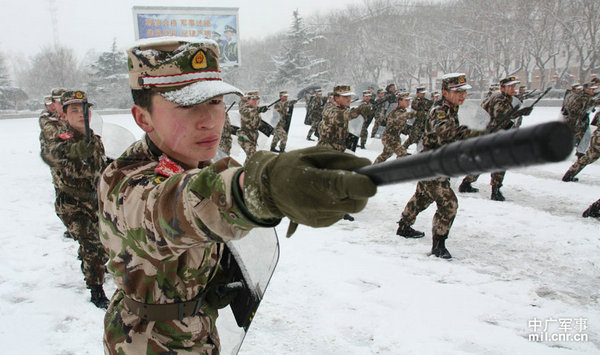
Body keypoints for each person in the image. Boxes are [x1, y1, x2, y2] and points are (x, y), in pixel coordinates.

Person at [99, 37, 376, 354]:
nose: (210, 121)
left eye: (215, 102)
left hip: (197, 334)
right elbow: (176, 204)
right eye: (187, 105)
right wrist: (264, 188)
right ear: (143, 118)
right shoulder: (125, 183)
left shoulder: (193, 161)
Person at [396, 73, 479, 259]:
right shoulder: (439, 111)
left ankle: (404, 226)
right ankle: (438, 245)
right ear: (444, 92)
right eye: (457, 91)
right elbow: (445, 134)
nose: (462, 96)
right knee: (449, 204)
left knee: (422, 197)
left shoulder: (451, 110)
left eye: (464, 92)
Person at [45, 90, 110, 308]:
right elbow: (56, 154)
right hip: (74, 206)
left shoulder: (95, 139)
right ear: (64, 115)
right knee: (92, 243)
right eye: (74, 110)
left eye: (85, 109)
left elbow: (101, 166)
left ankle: (94, 262)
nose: (82, 114)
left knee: (105, 242)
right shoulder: (60, 139)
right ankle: (96, 290)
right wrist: (76, 149)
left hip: (96, 202)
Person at [458, 76, 533, 200]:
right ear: (502, 88)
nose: (513, 89)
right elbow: (500, 116)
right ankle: (495, 190)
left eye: (514, 86)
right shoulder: (500, 99)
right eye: (511, 86)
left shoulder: (502, 98)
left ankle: (466, 183)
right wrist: (520, 112)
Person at [317, 85, 364, 152]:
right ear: (336, 98)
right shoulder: (330, 109)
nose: (349, 99)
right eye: (345, 96)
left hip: (340, 149)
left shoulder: (343, 109)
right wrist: (359, 110)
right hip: (327, 150)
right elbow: (341, 115)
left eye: (349, 96)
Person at [373, 92, 411, 163]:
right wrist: (417, 114)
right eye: (406, 100)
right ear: (400, 101)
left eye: (409, 100)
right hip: (390, 138)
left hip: (394, 138)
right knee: (402, 154)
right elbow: (404, 116)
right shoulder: (397, 112)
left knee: (386, 154)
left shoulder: (401, 111)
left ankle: (372, 168)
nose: (408, 102)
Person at [563, 81, 599, 153]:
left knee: (582, 140)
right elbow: (573, 110)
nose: (593, 91)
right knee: (582, 140)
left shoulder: (585, 97)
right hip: (578, 123)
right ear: (586, 89)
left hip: (579, 122)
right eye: (591, 89)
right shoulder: (582, 98)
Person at [562, 112, 599, 182]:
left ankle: (569, 174)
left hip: (597, 136)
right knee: (588, 157)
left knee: (587, 158)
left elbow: (594, 123)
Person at [237, 90, 267, 161]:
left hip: (253, 137)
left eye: (257, 99)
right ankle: (247, 171)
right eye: (253, 99)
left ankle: (247, 170)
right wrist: (259, 110)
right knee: (252, 157)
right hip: (245, 137)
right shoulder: (244, 108)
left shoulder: (254, 109)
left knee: (251, 158)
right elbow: (248, 113)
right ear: (247, 100)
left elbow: (255, 120)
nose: (255, 101)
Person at [402, 86, 433, 152]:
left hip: (425, 122)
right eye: (422, 93)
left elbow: (429, 106)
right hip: (418, 123)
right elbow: (417, 107)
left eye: (424, 93)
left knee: (425, 138)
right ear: (418, 93)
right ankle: (402, 150)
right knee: (412, 138)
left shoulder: (426, 101)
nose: (423, 94)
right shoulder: (416, 101)